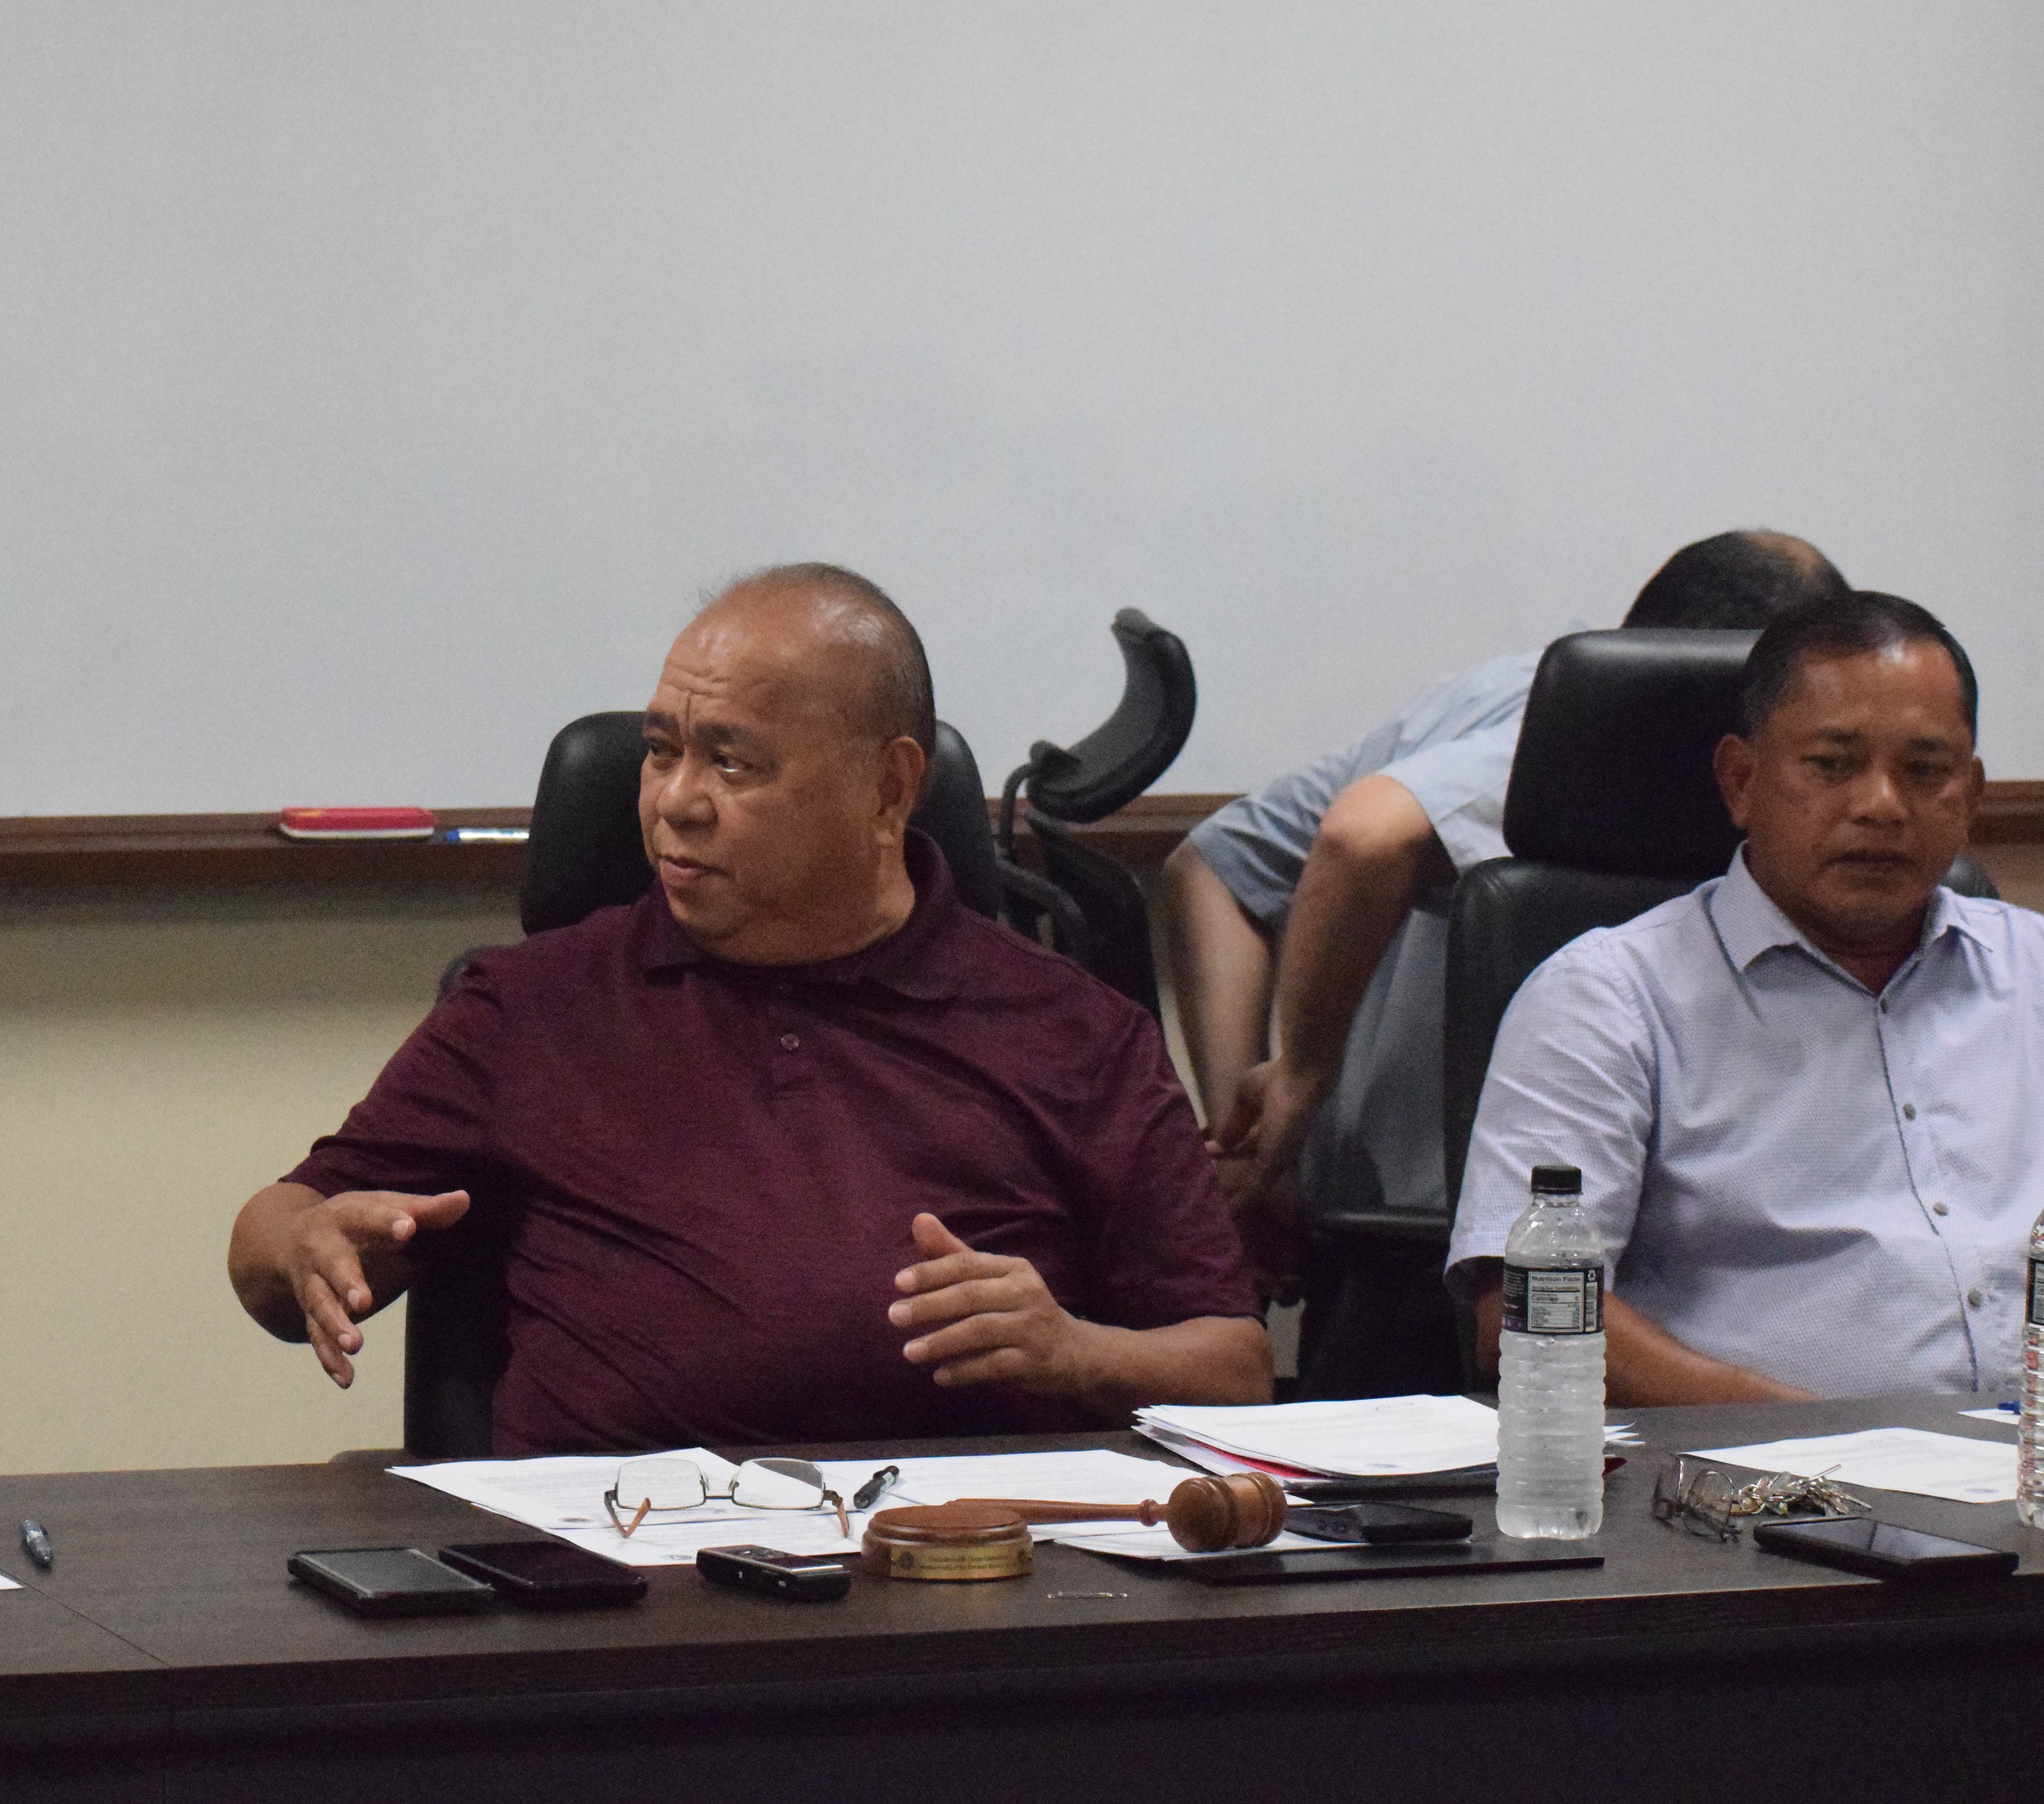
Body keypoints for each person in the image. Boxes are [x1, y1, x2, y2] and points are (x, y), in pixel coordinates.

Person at [227, 564, 1268, 1455]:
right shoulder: (534, 1006)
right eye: (661, 749)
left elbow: (1234, 1370)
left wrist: (1075, 1353)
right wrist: (303, 1246)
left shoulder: (1072, 1030)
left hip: (958, 1577)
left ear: (888, 789)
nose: (675, 801)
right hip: (609, 1580)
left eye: (731, 762)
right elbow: (272, 1231)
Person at [1158, 530, 1847, 1394]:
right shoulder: (1590, 737)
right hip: (1441, 1264)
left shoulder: (1503, 688)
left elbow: (1212, 865)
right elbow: (1364, 836)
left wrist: (1257, 1153)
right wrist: (1290, 1097)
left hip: (1409, 1239)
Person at [1446, 591, 2031, 1401]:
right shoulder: (1608, 999)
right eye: (1833, 764)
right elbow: (1529, 1309)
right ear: (1742, 781)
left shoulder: (2034, 973)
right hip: (1746, 1470)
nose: (1881, 805)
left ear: (1970, 795)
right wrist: (1813, 1441)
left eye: (1925, 771)